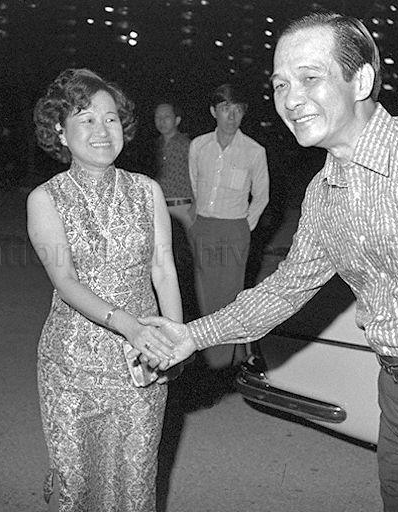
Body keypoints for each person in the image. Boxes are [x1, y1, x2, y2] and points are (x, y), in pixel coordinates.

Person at [142, 12, 398, 512]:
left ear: (361, 79)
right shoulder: (323, 193)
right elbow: (284, 289)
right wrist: (191, 335)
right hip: (397, 394)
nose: (290, 99)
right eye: (279, 84)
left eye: (309, 78)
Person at [27, 68, 180, 511]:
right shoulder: (45, 199)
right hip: (72, 365)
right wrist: (129, 326)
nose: (101, 130)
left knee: (135, 483)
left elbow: (163, 267)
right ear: (60, 128)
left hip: (141, 365)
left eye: (110, 119)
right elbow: (66, 281)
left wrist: (174, 337)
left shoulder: (147, 191)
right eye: (86, 118)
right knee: (78, 487)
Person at [188, 83, 269, 370]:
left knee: (228, 299)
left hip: (234, 230)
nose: (231, 116)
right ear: (214, 111)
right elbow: (194, 185)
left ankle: (225, 366)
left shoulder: (254, 152)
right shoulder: (198, 146)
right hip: (203, 227)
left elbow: (262, 196)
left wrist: (243, 228)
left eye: (237, 110)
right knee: (200, 295)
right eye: (225, 109)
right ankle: (203, 364)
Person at [153, 101, 194, 230]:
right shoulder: (153, 146)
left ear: (177, 120)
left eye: (166, 117)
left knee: (187, 249)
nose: (162, 121)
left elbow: (201, 176)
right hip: (159, 208)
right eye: (158, 117)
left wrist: (195, 208)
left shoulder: (188, 145)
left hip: (183, 207)